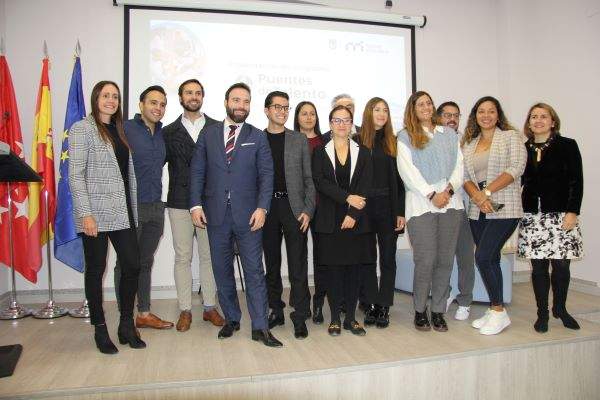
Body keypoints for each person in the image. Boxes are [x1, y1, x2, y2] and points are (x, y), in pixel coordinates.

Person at [189, 82, 282, 347]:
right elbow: (197, 171)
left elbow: (267, 175)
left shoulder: (258, 136)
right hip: (215, 215)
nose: (241, 105)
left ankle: (260, 326)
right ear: (226, 102)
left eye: (246, 101)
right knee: (221, 270)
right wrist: (195, 205)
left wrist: (263, 208)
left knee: (254, 271)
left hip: (249, 216)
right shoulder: (208, 134)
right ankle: (231, 318)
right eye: (236, 100)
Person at [69, 81, 145, 354]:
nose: (111, 100)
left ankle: (126, 324)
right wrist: (85, 214)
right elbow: (75, 176)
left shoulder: (120, 130)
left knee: (133, 265)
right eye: (105, 96)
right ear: (95, 98)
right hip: (95, 215)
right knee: (96, 269)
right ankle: (99, 328)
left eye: (115, 96)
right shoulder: (82, 129)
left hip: (122, 210)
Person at [396, 91, 464, 333]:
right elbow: (407, 171)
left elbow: (459, 167)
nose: (425, 107)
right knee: (426, 259)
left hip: (451, 203)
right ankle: (419, 310)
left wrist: (448, 189)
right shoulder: (405, 136)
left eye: (428, 103)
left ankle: (438, 311)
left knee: (445, 260)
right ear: (412, 109)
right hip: (421, 204)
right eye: (420, 104)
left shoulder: (449, 134)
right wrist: (432, 195)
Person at [163, 79, 224, 332]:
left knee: (209, 256)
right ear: (180, 97)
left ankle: (209, 307)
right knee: (183, 257)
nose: (193, 96)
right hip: (179, 201)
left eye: (198, 93)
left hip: (210, 202)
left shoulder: (216, 128)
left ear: (203, 97)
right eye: (189, 93)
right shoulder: (167, 132)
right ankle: (185, 309)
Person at [462, 96, 526, 335]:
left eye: (491, 111)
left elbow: (516, 168)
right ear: (475, 116)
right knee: (491, 259)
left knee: (484, 256)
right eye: (481, 111)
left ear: (498, 115)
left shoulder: (511, 137)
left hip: (505, 206)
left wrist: (486, 192)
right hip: (476, 208)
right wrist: (478, 197)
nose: (486, 115)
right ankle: (495, 308)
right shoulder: (469, 143)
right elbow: (464, 177)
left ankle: (499, 311)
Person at [518, 103, 583, 333]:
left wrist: (572, 211)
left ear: (552, 121)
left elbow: (577, 180)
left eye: (543, 116)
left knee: (561, 266)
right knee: (538, 269)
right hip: (532, 216)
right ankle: (542, 313)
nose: (538, 120)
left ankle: (561, 309)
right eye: (533, 117)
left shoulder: (567, 145)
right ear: (529, 123)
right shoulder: (522, 148)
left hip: (561, 215)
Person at [113, 85, 173, 330]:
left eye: (162, 104)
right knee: (126, 263)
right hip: (131, 206)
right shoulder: (124, 129)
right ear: (141, 105)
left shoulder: (163, 134)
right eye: (153, 102)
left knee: (145, 261)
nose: (158, 108)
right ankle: (124, 316)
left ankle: (144, 313)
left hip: (156, 206)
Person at [312, 105, 373, 337]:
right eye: (337, 120)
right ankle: (335, 318)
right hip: (330, 220)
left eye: (346, 120)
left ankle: (350, 319)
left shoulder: (364, 152)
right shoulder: (319, 151)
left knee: (354, 271)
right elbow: (320, 182)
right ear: (330, 124)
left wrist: (353, 214)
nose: (342, 124)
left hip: (357, 220)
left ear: (352, 124)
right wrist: (347, 198)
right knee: (334, 271)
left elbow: (365, 186)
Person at [262, 91, 316, 339]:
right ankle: (276, 310)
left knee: (298, 265)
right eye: (277, 107)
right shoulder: (257, 139)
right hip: (267, 210)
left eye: (286, 108)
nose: (282, 111)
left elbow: (309, 179)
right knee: (271, 265)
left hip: (294, 210)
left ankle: (300, 314)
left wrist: (307, 210)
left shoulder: (298, 140)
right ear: (266, 110)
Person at [356, 97, 405, 328]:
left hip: (387, 207)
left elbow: (400, 182)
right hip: (364, 208)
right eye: (377, 109)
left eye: (385, 110)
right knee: (366, 258)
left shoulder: (393, 142)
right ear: (368, 113)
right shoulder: (356, 141)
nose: (382, 114)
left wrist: (400, 212)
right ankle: (371, 302)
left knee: (388, 258)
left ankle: (384, 305)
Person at [437, 101, 475, 321]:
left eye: (456, 115)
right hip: (436, 208)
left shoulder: (467, 142)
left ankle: (466, 299)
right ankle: (447, 293)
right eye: (447, 115)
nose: (452, 119)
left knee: (464, 257)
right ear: (438, 117)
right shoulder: (431, 140)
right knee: (440, 258)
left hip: (460, 208)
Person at [293, 101, 326, 324]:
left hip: (324, 207)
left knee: (322, 257)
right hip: (300, 208)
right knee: (299, 257)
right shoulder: (291, 141)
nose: (308, 117)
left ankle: (319, 302)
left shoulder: (326, 142)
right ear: (297, 117)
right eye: (304, 114)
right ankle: (300, 300)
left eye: (312, 114)